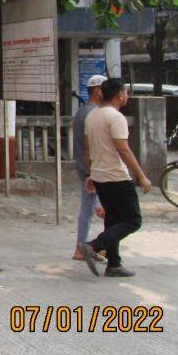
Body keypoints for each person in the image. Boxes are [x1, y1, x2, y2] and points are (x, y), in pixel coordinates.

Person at [78, 78, 152, 278]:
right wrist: (142, 176)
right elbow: (124, 150)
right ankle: (93, 245)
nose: (127, 95)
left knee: (113, 219)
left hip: (100, 176)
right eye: (126, 92)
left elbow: (87, 149)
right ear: (119, 95)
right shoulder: (115, 117)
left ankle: (114, 264)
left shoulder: (92, 116)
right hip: (116, 176)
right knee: (133, 220)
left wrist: (90, 173)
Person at [72, 75, 107, 261]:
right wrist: (90, 172)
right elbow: (89, 146)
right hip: (91, 169)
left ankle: (97, 246)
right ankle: (81, 247)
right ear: (98, 91)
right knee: (88, 208)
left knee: (95, 207)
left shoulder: (83, 111)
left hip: (88, 167)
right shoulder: (92, 113)